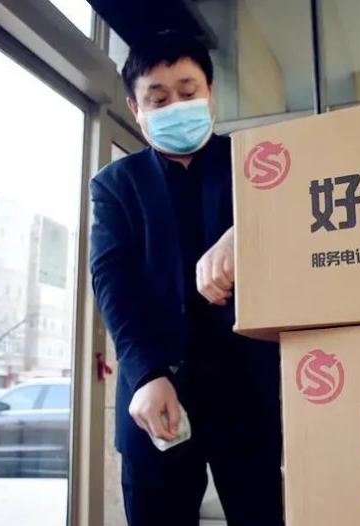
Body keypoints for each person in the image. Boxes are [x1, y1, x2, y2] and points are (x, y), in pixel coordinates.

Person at [89, 31, 283, 526]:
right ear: (136, 108)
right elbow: (112, 283)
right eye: (159, 99)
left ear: (210, 93)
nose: (176, 106)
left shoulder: (257, 164)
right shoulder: (116, 186)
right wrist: (146, 374)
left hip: (246, 392)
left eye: (188, 91)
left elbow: (303, 225)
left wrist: (246, 230)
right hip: (159, 395)